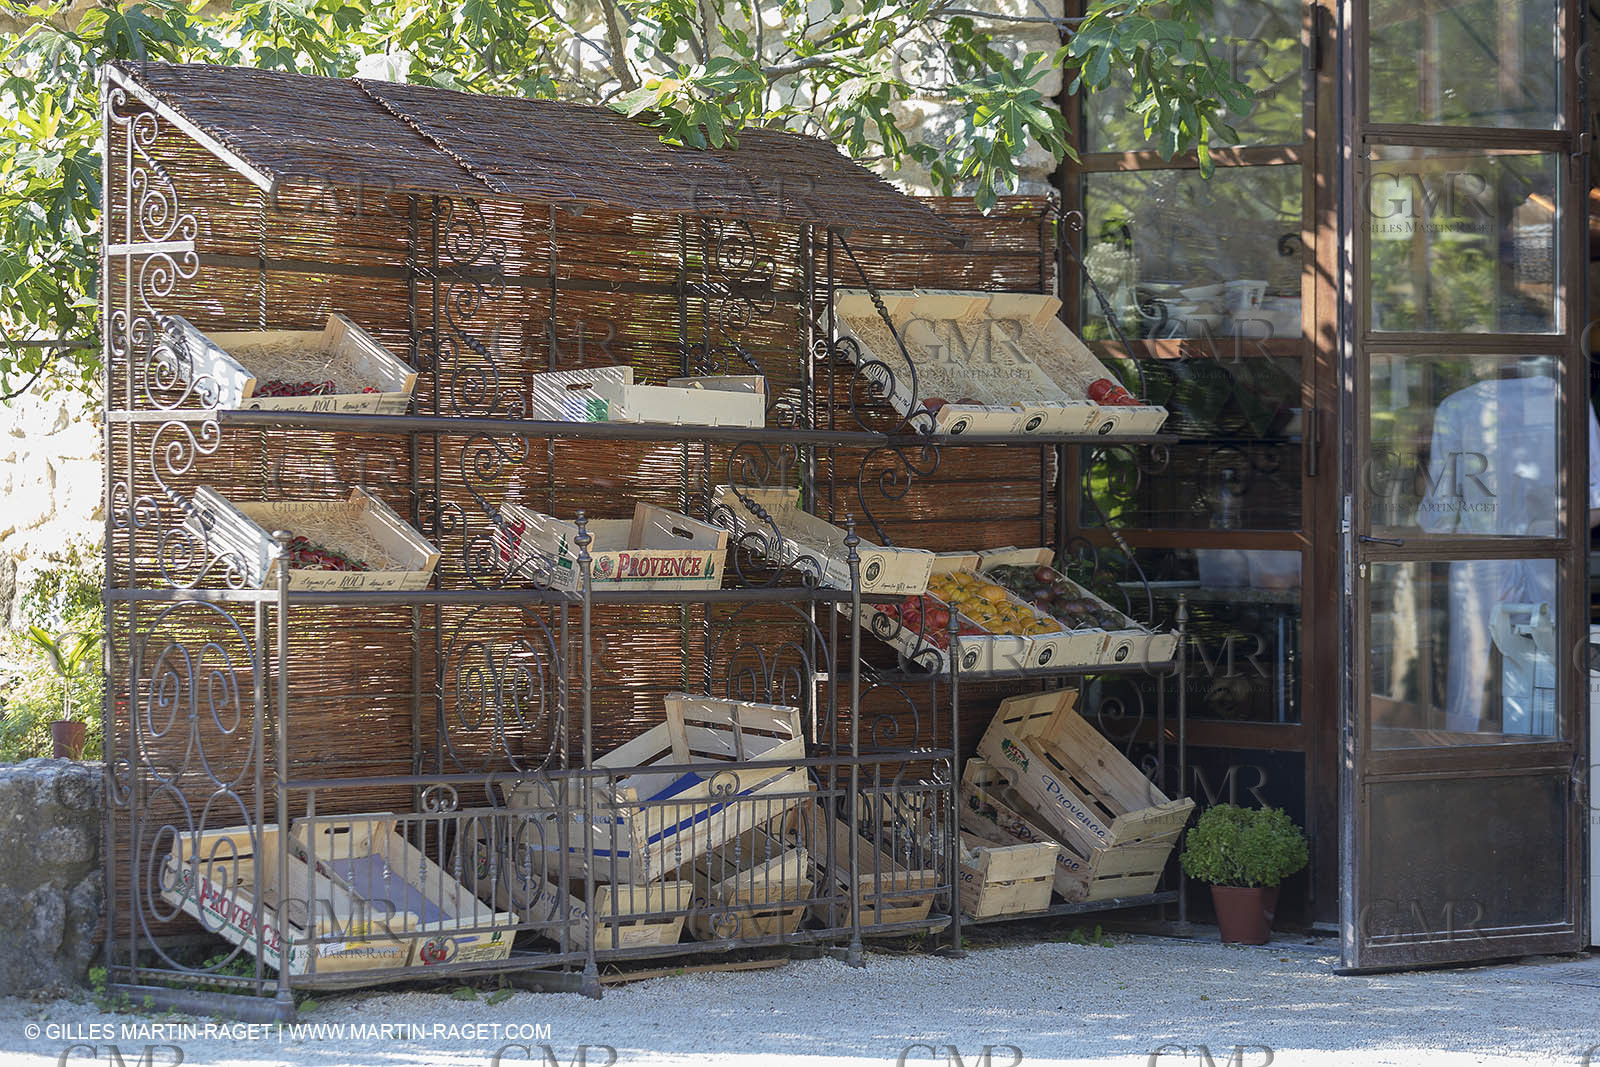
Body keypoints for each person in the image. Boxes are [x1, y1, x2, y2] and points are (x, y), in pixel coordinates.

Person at [1418, 365, 1600, 736]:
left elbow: (1438, 515)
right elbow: (1595, 499)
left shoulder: (1458, 406)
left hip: (1481, 557)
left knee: (1471, 670)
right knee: (1558, 658)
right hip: (1552, 553)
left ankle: (1464, 758)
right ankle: (1558, 751)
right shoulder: (1568, 402)